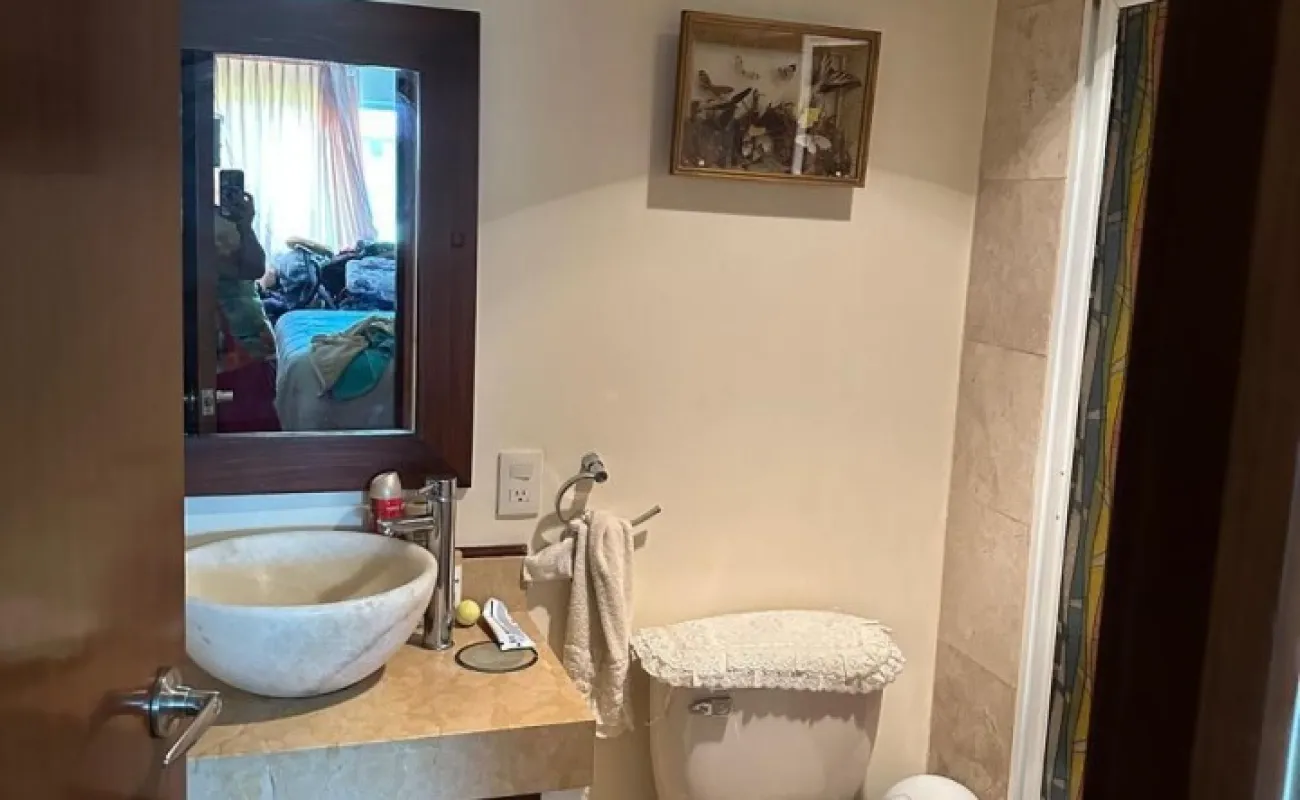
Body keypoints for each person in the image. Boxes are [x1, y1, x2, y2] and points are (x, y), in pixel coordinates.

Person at [214, 190, 281, 432]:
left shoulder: (223, 217)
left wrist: (246, 225)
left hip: (249, 330)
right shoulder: (166, 219)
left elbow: (255, 268)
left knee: (258, 419)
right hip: (213, 335)